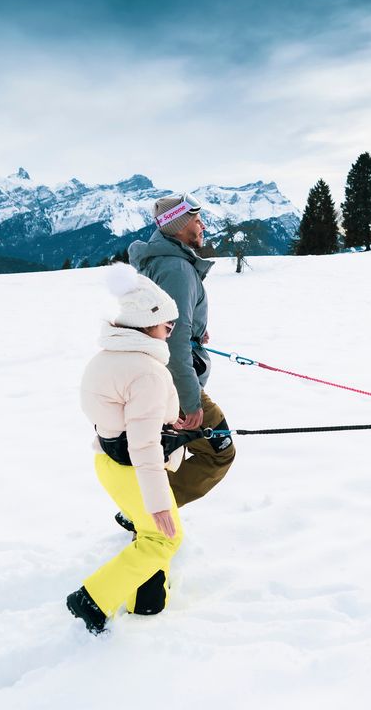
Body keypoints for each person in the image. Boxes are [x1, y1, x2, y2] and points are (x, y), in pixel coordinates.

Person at [67, 264, 186, 635]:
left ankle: (146, 600)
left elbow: (116, 415)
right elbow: (144, 443)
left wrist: (167, 421)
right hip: (133, 468)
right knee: (164, 536)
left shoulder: (106, 357)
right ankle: (92, 598)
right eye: (167, 325)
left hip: (108, 461)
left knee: (152, 535)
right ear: (146, 324)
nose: (171, 331)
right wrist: (158, 501)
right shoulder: (148, 371)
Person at [125, 193, 236, 514]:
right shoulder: (176, 269)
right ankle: (147, 514)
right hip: (173, 383)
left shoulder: (158, 261)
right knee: (218, 452)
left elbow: (156, 321)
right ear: (179, 224)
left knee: (167, 454)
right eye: (197, 219)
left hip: (153, 376)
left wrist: (194, 328)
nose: (203, 225)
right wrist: (189, 402)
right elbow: (173, 343)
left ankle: (144, 512)